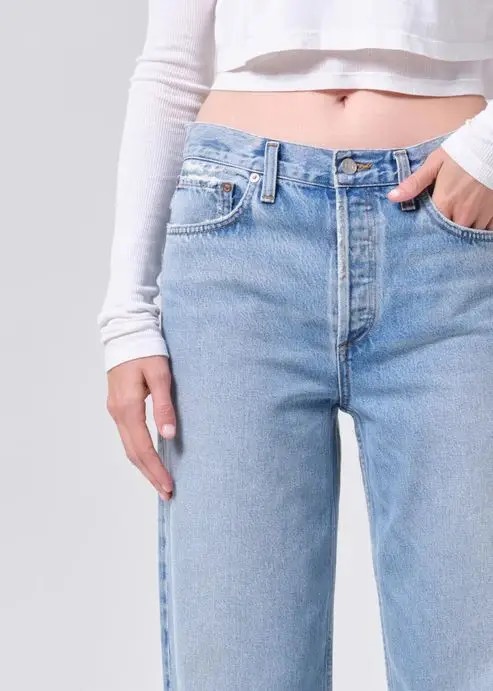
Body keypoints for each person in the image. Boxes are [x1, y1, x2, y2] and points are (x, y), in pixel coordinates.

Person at [97, 1, 493, 688]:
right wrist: (127, 314)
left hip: (449, 245)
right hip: (238, 244)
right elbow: (171, 67)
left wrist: (488, 151)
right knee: (236, 667)